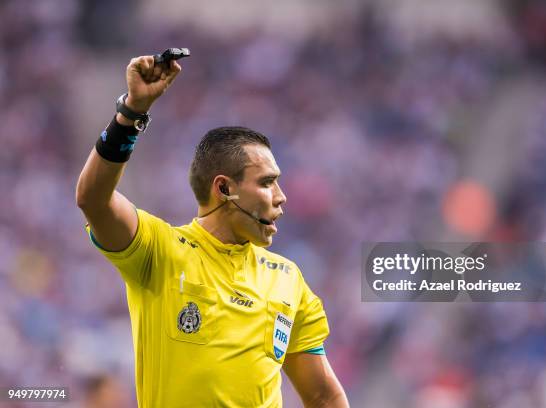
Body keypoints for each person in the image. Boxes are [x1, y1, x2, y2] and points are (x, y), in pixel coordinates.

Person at [75, 54, 349, 407]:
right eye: (267, 183)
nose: (281, 198)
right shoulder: (160, 251)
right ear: (224, 188)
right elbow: (93, 199)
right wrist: (130, 114)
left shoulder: (288, 280)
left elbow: (323, 396)